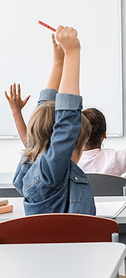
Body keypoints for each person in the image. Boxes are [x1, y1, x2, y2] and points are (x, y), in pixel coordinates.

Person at [12, 27, 95, 216]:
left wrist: (59, 61)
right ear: (73, 144)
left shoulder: (30, 164)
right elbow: (66, 123)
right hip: (70, 245)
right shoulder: (51, 174)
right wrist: (73, 53)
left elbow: (43, 115)